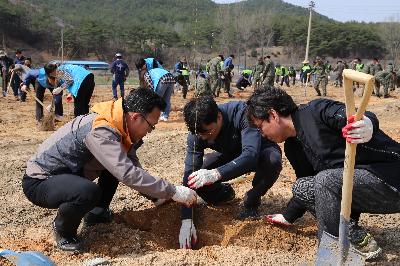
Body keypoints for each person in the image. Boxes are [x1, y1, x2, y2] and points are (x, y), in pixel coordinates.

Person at [22, 88, 198, 252]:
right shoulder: (102, 129)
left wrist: (157, 196)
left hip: (68, 176)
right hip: (41, 182)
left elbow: (130, 164)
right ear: (136, 117)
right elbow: (127, 173)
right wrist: (172, 190)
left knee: (114, 165)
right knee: (88, 191)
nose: (149, 131)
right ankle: (64, 231)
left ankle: (96, 214)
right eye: (151, 126)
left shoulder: (119, 124)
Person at [246, 86, 400, 259]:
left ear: (273, 115)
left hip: (390, 179)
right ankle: (359, 240)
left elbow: (357, 116)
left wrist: (368, 124)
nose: (262, 134)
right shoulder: (293, 147)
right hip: (360, 192)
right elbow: (310, 188)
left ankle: (331, 255)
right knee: (303, 186)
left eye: (260, 127)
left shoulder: (317, 110)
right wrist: (288, 216)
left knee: (324, 180)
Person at [178, 96, 282, 249]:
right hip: (230, 154)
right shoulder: (198, 132)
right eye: (198, 134)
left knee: (273, 160)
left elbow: (250, 156)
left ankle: (252, 200)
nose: (202, 137)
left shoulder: (243, 114)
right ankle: (224, 194)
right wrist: (186, 220)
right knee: (197, 177)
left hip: (259, 151)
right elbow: (189, 174)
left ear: (219, 117)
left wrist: (215, 174)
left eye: (206, 132)